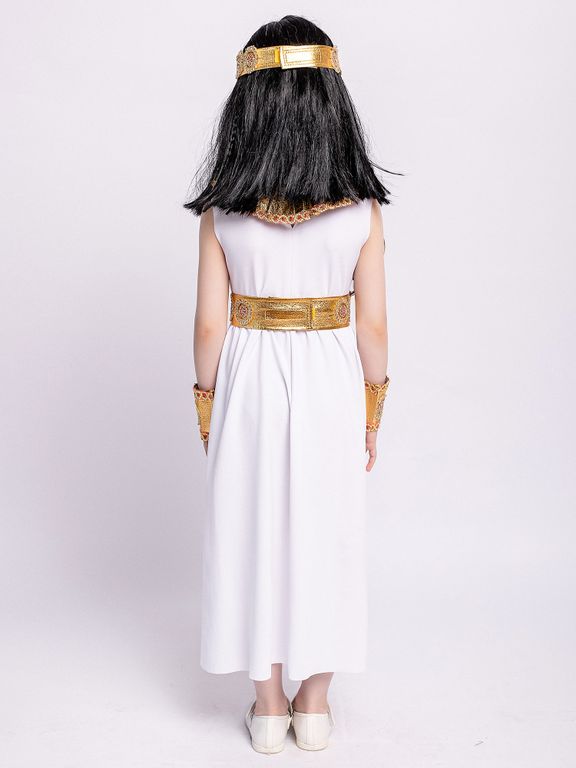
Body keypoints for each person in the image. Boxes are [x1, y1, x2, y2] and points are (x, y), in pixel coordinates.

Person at [184, 15, 391, 754]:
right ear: (331, 107)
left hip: (249, 376)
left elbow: (208, 327)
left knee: (252, 526)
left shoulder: (221, 215)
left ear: (249, 110)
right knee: (328, 527)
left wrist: (208, 406)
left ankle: (267, 706)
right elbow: (373, 329)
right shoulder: (362, 214)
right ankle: (316, 704)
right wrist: (372, 409)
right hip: (331, 374)